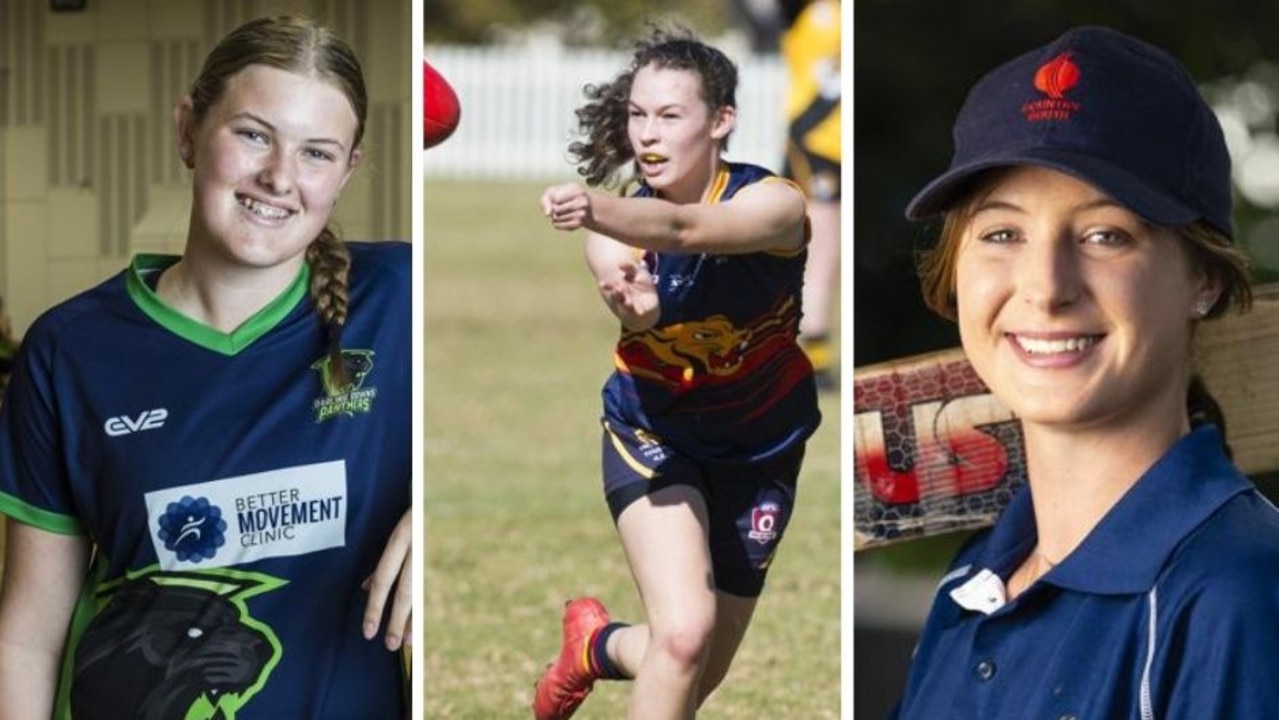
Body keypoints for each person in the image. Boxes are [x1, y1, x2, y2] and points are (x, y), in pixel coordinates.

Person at [0, 16, 411, 719]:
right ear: (188, 129)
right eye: (253, 134)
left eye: (316, 152)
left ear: (347, 172)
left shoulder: (398, 298)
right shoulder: (70, 349)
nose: (279, 177)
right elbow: (30, 634)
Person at [890, 26, 1279, 719]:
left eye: (1105, 235)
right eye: (1001, 233)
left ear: (1204, 279)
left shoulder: (1239, 593)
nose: (1044, 288)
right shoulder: (976, 580)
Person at [533, 28, 821, 720]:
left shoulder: (774, 205)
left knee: (691, 672)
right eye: (636, 114)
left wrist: (590, 204)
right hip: (653, 430)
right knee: (683, 638)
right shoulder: (612, 227)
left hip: (763, 447)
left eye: (669, 116)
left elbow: (687, 230)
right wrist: (635, 311)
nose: (647, 134)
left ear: (720, 121)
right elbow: (635, 299)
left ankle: (594, 648)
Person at [779, 0, 841, 389]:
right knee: (824, 245)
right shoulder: (814, 13)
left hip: (832, 144)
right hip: (817, 143)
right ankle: (813, 349)